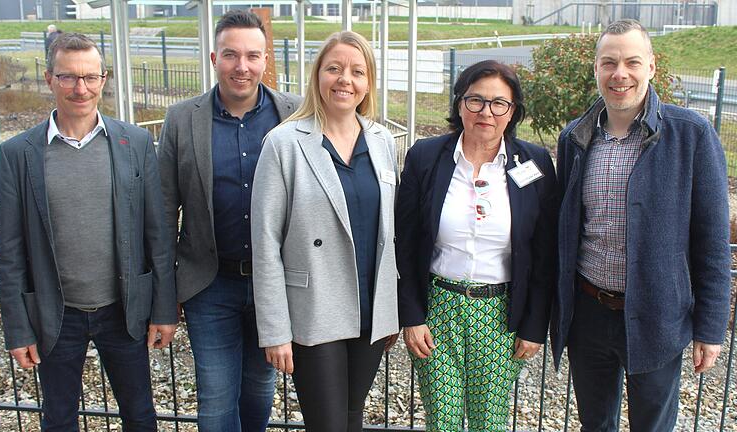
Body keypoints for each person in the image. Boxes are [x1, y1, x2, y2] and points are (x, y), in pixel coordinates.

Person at [551, 19, 731, 431]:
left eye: (632, 62)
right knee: (595, 425)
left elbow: (712, 240)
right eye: (609, 62)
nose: (620, 73)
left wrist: (710, 327)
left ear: (651, 66)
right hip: (589, 314)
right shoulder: (574, 139)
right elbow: (565, 233)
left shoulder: (691, 134)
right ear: (596, 68)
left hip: (657, 316)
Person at [0, 33, 176, 431]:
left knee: (141, 416)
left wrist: (163, 309)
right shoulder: (17, 154)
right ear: (48, 79)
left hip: (122, 311)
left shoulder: (135, 143)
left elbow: (157, 234)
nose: (81, 88)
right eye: (69, 78)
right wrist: (18, 329)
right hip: (56, 316)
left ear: (104, 78)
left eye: (91, 77)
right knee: (58, 420)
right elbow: (9, 252)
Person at [156, 10, 301, 432]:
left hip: (273, 285)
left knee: (259, 391)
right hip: (210, 283)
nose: (243, 66)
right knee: (217, 400)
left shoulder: (293, 114)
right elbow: (165, 212)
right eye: (231, 55)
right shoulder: (182, 119)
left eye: (253, 56)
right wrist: (166, 295)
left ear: (265, 59)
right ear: (214, 57)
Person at [395, 60, 558, 431]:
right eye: (475, 100)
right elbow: (404, 242)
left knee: (490, 422)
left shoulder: (535, 163)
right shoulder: (426, 157)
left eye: (499, 103)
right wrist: (412, 315)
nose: (486, 112)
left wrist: (534, 326)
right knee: (444, 420)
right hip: (437, 311)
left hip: (501, 316)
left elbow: (546, 254)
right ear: (459, 104)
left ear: (513, 111)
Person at [251, 31, 400, 431]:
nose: (344, 80)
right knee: (328, 424)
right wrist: (275, 330)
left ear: (368, 82)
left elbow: (391, 230)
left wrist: (392, 309)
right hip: (314, 310)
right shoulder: (284, 144)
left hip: (370, 310)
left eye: (356, 71)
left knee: (352, 419)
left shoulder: (383, 141)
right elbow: (265, 244)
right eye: (333, 68)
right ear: (317, 75)